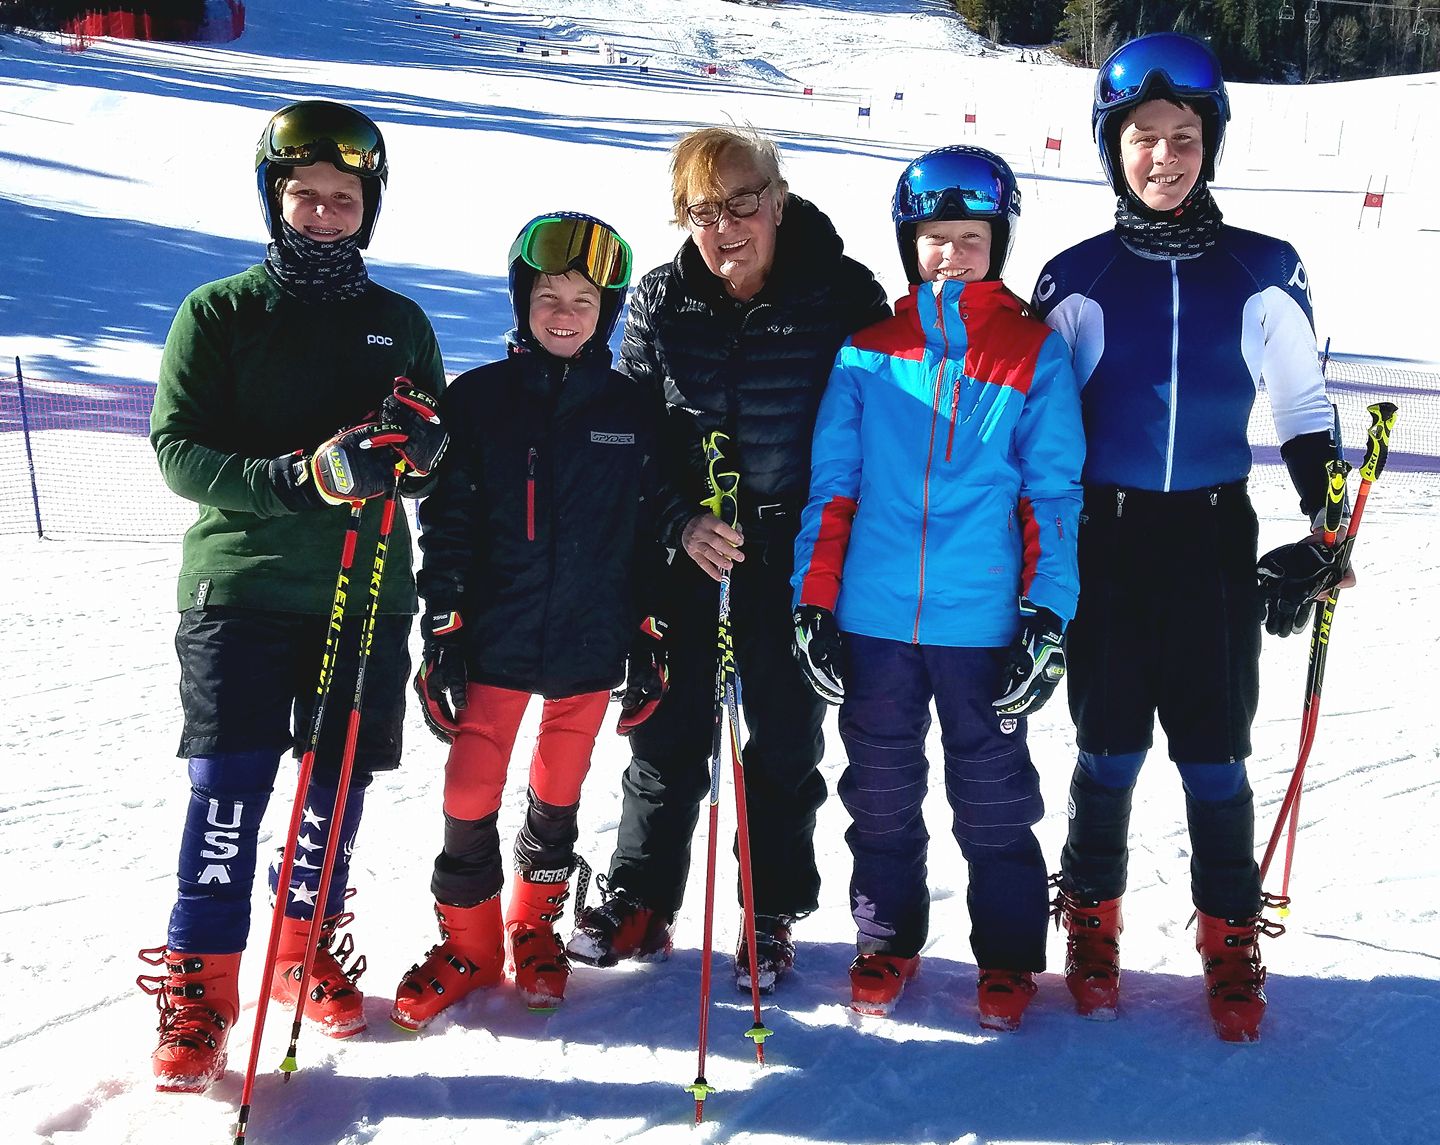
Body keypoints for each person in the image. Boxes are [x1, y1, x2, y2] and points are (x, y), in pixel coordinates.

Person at [1031, 32, 1348, 1043]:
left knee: (1215, 757)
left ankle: (1228, 934)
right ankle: (1093, 916)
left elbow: (1302, 405)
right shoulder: (1076, 276)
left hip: (1214, 537)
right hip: (1108, 539)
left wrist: (1324, 523)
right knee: (1109, 745)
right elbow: (1037, 431)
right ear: (1109, 147)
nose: (1163, 155)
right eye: (1142, 138)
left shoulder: (1263, 269)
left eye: (1182, 135)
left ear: (1210, 143)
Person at [138, 100, 447, 1093]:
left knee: (333, 790)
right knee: (228, 787)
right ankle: (203, 983)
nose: (322, 213)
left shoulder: (397, 321)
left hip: (363, 591)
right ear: (275, 199)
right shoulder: (220, 312)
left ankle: (299, 942)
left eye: (342, 198)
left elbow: (427, 446)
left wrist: (422, 446)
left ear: (369, 206)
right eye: (304, 195)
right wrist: (303, 475)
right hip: (243, 583)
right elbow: (179, 450)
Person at [565, 126, 889, 993]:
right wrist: (678, 521)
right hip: (689, 546)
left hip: (794, 546)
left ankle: (771, 906)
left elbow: (876, 430)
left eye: (743, 201)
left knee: (781, 734)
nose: (726, 225)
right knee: (667, 726)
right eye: (703, 209)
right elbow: (625, 434)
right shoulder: (661, 300)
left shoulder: (844, 293)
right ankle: (641, 894)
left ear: (778, 199)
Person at [790, 146, 1083, 1029]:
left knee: (992, 798)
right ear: (907, 243)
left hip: (982, 621)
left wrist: (1046, 612)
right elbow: (833, 486)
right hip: (876, 617)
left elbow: (1051, 493)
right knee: (878, 791)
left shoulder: (1034, 350)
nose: (952, 254)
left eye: (971, 237)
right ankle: (885, 939)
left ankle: (1005, 957)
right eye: (934, 238)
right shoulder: (869, 351)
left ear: (999, 241)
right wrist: (815, 598)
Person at [391, 213, 669, 1027]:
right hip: (496, 638)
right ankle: (471, 943)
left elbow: (649, 528)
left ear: (606, 313)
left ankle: (532, 926)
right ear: (521, 299)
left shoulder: (628, 407)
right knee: (471, 786)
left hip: (590, 639)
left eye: (584, 299)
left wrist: (651, 633)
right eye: (548, 293)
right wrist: (439, 629)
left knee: (560, 785)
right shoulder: (478, 400)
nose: (565, 311)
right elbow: (444, 525)